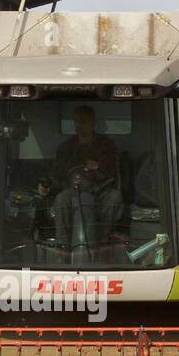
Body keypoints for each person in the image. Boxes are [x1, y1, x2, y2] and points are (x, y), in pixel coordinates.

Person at [40, 105, 123, 252]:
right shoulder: (65, 148)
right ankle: (62, 248)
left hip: (100, 192)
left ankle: (102, 245)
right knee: (60, 199)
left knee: (114, 197)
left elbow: (111, 175)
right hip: (73, 192)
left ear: (93, 122)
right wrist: (46, 185)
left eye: (83, 121)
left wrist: (96, 170)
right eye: (76, 121)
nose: (79, 125)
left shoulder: (106, 145)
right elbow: (56, 175)